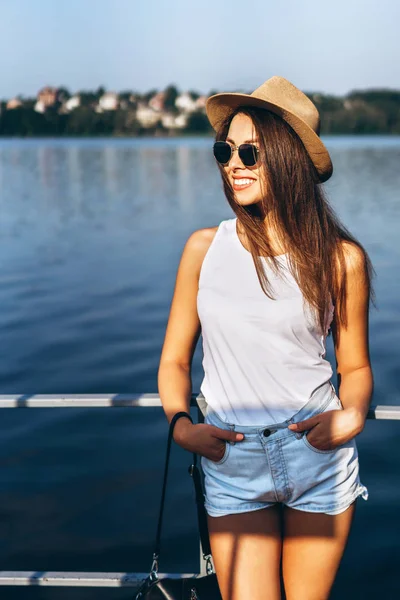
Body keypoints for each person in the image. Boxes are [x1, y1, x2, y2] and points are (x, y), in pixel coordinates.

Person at [157, 75, 375, 600]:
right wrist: (181, 425)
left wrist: (353, 414)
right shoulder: (203, 248)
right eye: (224, 150)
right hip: (232, 459)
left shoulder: (342, 260)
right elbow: (174, 362)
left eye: (249, 151)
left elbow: (357, 367)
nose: (233, 163)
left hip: (316, 455)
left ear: (286, 158)